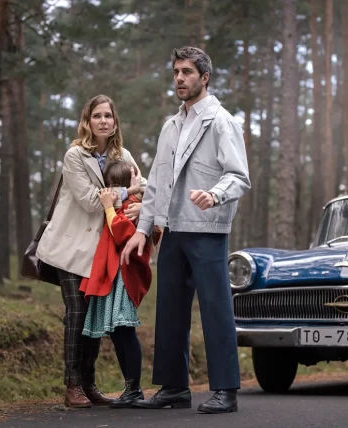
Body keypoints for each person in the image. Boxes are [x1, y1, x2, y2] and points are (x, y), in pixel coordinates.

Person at [122, 46, 251, 414]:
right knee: (170, 310)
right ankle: (174, 388)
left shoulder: (221, 120)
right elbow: (159, 183)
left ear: (204, 77)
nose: (180, 78)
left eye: (187, 72)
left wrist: (214, 195)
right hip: (173, 228)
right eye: (176, 72)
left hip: (208, 228)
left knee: (215, 309)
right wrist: (143, 230)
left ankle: (226, 390)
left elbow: (239, 176)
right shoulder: (171, 125)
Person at [36, 94, 146, 408]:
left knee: (93, 317)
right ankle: (72, 386)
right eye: (97, 115)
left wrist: (144, 201)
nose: (103, 121)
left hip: (102, 253)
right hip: (71, 249)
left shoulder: (122, 154)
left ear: (114, 121)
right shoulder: (74, 155)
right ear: (88, 120)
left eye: (108, 116)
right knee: (76, 314)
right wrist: (130, 190)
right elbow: (88, 200)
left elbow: (144, 184)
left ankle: (89, 383)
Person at [79, 160, 156, 408]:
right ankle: (130, 387)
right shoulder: (129, 201)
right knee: (117, 332)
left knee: (125, 331)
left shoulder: (133, 205)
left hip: (124, 275)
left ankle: (134, 389)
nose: (110, 189)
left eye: (115, 184)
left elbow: (122, 233)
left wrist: (110, 207)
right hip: (113, 276)